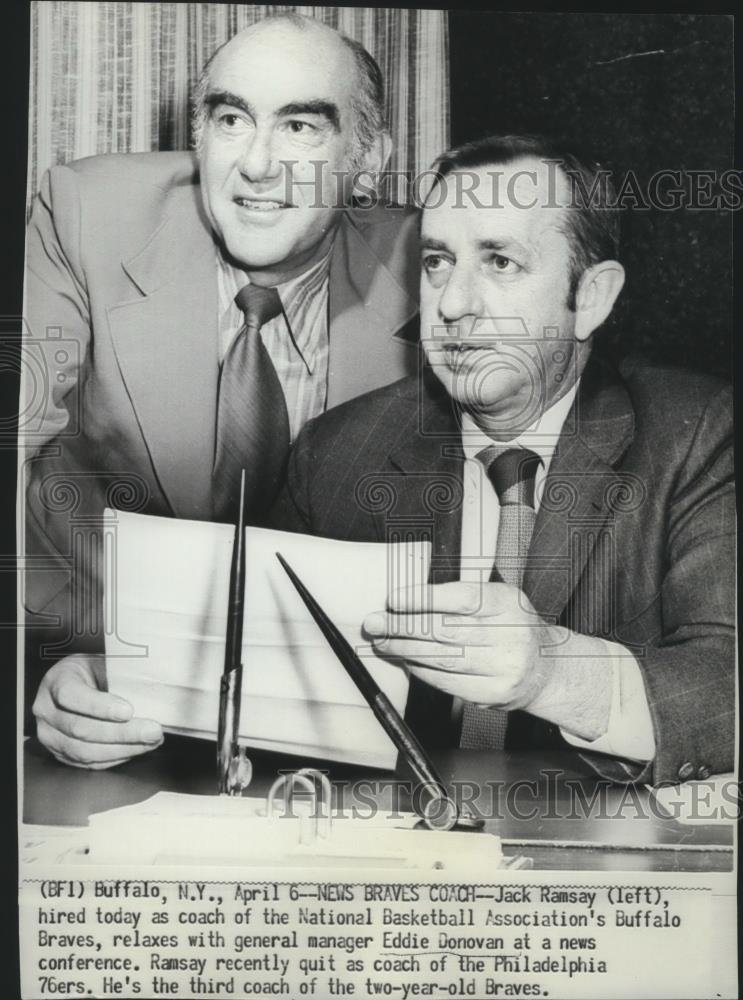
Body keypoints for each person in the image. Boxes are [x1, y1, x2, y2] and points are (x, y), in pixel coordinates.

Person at [272, 134, 735, 785]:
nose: (452, 304)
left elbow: (727, 681)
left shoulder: (695, 434)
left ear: (591, 298)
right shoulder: (337, 450)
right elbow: (256, 684)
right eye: (437, 262)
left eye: (500, 263)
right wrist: (111, 691)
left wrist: (553, 670)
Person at [24, 14, 420, 768]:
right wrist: (40, 669)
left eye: (301, 126)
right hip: (93, 670)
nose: (258, 165)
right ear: (198, 137)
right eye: (231, 119)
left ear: (366, 160)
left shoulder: (429, 266)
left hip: (333, 715)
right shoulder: (86, 216)